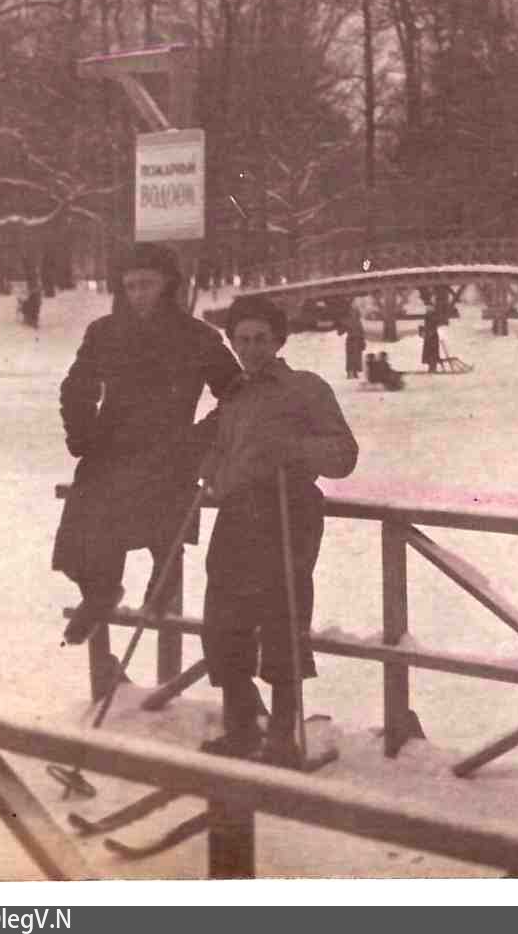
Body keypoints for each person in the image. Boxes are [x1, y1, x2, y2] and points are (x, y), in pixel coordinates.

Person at [193, 295, 359, 767]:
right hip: (235, 514)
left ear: (279, 340)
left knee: (282, 617)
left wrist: (297, 449)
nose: (251, 348)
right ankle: (243, 725)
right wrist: (210, 467)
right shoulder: (233, 396)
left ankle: (283, 736)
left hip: (288, 511)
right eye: (241, 340)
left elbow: (344, 453)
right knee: (223, 620)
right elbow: (215, 449)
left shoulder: (306, 388)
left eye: (260, 339)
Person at [54, 243, 242, 647]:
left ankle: (163, 581)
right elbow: (76, 387)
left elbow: (237, 394)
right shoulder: (104, 332)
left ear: (168, 284)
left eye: (147, 285)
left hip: (170, 449)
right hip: (110, 448)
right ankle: (100, 591)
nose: (138, 294)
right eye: (130, 286)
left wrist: (199, 439)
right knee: (82, 538)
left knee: (164, 524)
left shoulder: (197, 337)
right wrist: (82, 434)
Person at [342, 311, 366, 380]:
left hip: (356, 341)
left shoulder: (357, 322)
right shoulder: (349, 321)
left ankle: (354, 373)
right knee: (351, 357)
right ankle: (350, 373)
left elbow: (362, 332)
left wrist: (362, 342)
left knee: (355, 357)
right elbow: (341, 331)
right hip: (352, 341)